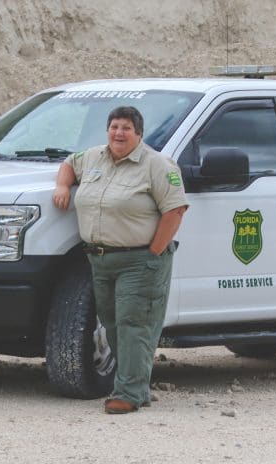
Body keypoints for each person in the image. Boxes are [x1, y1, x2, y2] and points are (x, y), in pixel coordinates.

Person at [53, 106, 188, 413]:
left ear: (139, 134)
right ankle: (137, 386)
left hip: (139, 260)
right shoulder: (94, 157)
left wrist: (153, 252)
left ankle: (127, 393)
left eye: (126, 128)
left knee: (133, 325)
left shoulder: (157, 164)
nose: (119, 133)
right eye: (114, 126)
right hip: (101, 260)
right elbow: (68, 165)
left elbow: (175, 209)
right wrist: (62, 185)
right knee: (113, 325)